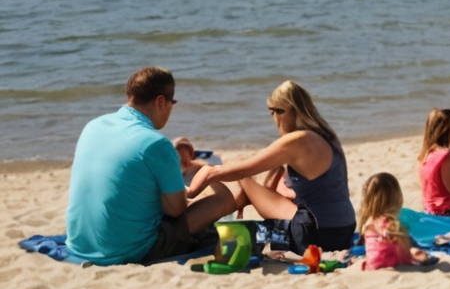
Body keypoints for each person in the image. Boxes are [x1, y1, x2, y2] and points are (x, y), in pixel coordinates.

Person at [64, 67, 242, 266]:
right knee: (224, 199)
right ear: (160, 102)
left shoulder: (93, 125)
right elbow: (175, 210)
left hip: (80, 243)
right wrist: (204, 170)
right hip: (126, 249)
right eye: (172, 103)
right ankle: (200, 169)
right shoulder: (156, 143)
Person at [187, 80, 357, 257]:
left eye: (274, 113)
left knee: (243, 180)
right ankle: (199, 223)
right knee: (254, 188)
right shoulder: (327, 136)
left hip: (314, 234)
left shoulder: (295, 141)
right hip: (343, 231)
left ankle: (187, 229)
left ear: (285, 112)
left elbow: (244, 169)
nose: (275, 120)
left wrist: (205, 176)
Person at [357, 173, 431, 271]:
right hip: (390, 262)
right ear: (396, 197)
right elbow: (404, 252)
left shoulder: (368, 223)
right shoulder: (390, 223)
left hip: (371, 264)